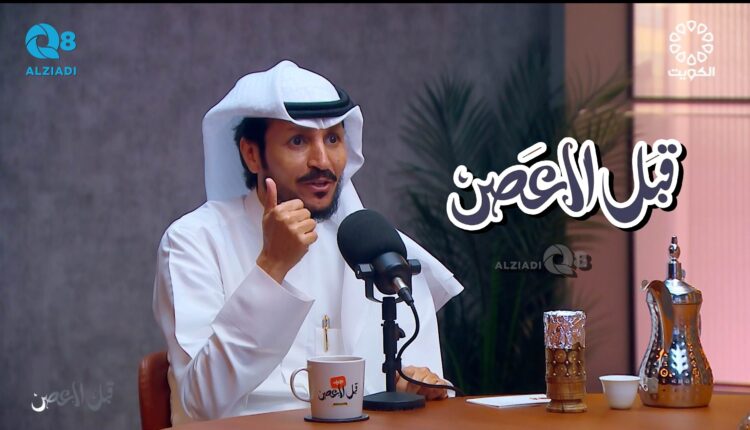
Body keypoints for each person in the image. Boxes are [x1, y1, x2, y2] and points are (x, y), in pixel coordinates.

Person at [152, 60, 464, 425]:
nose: (322, 161)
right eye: (298, 141)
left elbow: (420, 394)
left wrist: (413, 386)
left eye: (332, 139)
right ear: (251, 154)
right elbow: (202, 403)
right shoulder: (194, 241)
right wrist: (272, 266)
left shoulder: (374, 248)